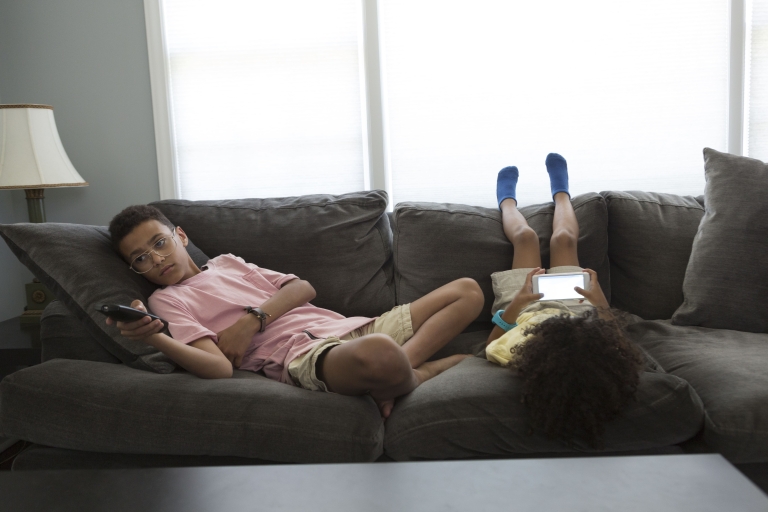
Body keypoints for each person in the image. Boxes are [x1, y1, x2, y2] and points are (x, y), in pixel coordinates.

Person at [106, 205, 483, 418]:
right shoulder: (166, 301)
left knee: (468, 290)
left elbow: (303, 288)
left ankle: (402, 376)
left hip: (349, 327)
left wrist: (251, 321)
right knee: (380, 350)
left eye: (160, 243)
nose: (156, 258)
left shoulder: (227, 263)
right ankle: (410, 373)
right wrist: (156, 336)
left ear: (181, 237)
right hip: (304, 354)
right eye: (141, 258)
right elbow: (219, 367)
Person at [486, 153, 644, 448]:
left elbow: (491, 341)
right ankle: (561, 193)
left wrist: (518, 302)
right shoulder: (603, 357)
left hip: (524, 306)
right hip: (577, 309)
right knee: (564, 241)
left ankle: (506, 200)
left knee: (526, 237)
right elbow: (620, 341)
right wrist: (600, 305)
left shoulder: (515, 354)